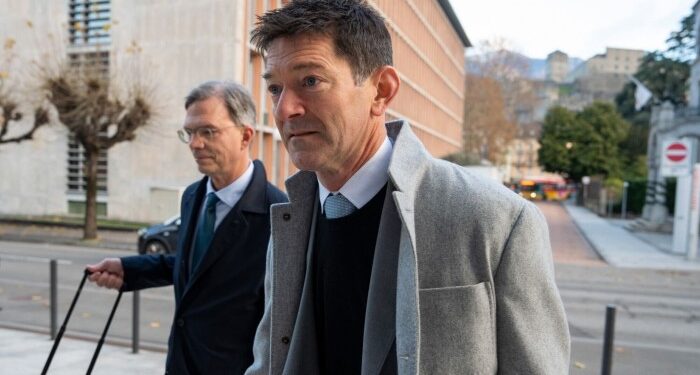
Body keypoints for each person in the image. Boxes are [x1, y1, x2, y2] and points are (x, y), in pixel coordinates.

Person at [244, 1, 570, 374]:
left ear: (381, 90)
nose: (285, 110)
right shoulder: (290, 219)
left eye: (310, 82)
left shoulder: (497, 219)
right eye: (274, 88)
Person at [87, 81, 287, 375]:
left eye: (208, 131)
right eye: (190, 133)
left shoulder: (279, 214)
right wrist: (128, 269)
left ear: (245, 136)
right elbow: (196, 269)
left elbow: (282, 322)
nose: (195, 144)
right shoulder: (193, 196)